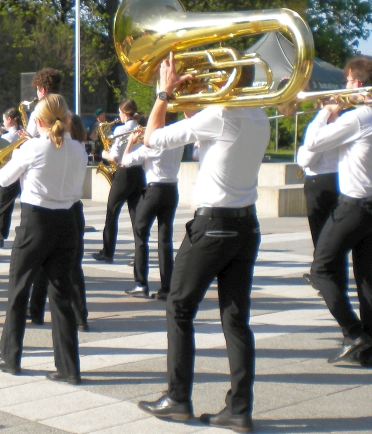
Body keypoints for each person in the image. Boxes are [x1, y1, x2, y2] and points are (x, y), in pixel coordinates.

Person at [137, 54, 269, 432]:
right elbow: (203, 122)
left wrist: (164, 92)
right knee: (235, 320)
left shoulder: (221, 114)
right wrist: (188, 95)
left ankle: (178, 398)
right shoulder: (258, 115)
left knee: (178, 309)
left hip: (212, 224)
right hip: (247, 225)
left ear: (226, 80)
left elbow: (152, 138)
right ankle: (239, 409)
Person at [300, 56, 372, 369]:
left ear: (356, 83)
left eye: (346, 82)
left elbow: (313, 143)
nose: (344, 88)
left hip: (354, 205)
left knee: (321, 271)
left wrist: (327, 113)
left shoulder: (359, 118)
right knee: (366, 278)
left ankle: (353, 333)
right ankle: (368, 349)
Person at [0, 94, 87, 383]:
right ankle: (69, 368)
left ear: (39, 121)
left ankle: (11, 356)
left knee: (19, 289)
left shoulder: (32, 147)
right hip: (67, 222)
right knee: (62, 296)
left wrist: (13, 158)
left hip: (36, 222)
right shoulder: (80, 149)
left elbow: (3, 179)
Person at [27, 114, 90, 331]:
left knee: (64, 267)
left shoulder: (72, 149)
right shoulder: (76, 149)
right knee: (61, 266)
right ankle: (40, 310)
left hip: (63, 208)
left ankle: (74, 315)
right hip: (70, 210)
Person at [120, 109, 182, 300]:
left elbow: (126, 162)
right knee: (165, 240)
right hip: (171, 190)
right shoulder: (177, 139)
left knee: (140, 235)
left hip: (154, 190)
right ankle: (166, 287)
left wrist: (131, 141)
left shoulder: (154, 141)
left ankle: (141, 284)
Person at [296, 99, 342, 288]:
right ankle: (332, 275)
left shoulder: (320, 128)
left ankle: (323, 277)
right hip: (339, 180)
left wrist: (323, 113)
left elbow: (306, 159)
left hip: (319, 181)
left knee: (320, 233)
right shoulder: (344, 126)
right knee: (334, 232)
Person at [93, 99, 145, 263]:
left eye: (120, 113)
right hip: (139, 174)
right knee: (136, 216)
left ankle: (107, 252)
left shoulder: (121, 129)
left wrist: (104, 153)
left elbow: (113, 156)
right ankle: (140, 255)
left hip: (123, 173)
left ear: (123, 113)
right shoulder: (141, 128)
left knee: (112, 213)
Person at [0, 108, 22, 248]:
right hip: (23, 175)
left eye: (4, 120)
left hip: (11, 174)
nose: (4, 123)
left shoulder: (7, 137)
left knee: (4, 206)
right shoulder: (22, 133)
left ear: (10, 119)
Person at [23, 68, 62, 138]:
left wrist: (26, 137)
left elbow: (29, 140)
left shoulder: (37, 113)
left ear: (43, 90)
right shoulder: (67, 113)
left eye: (38, 89)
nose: (37, 94)